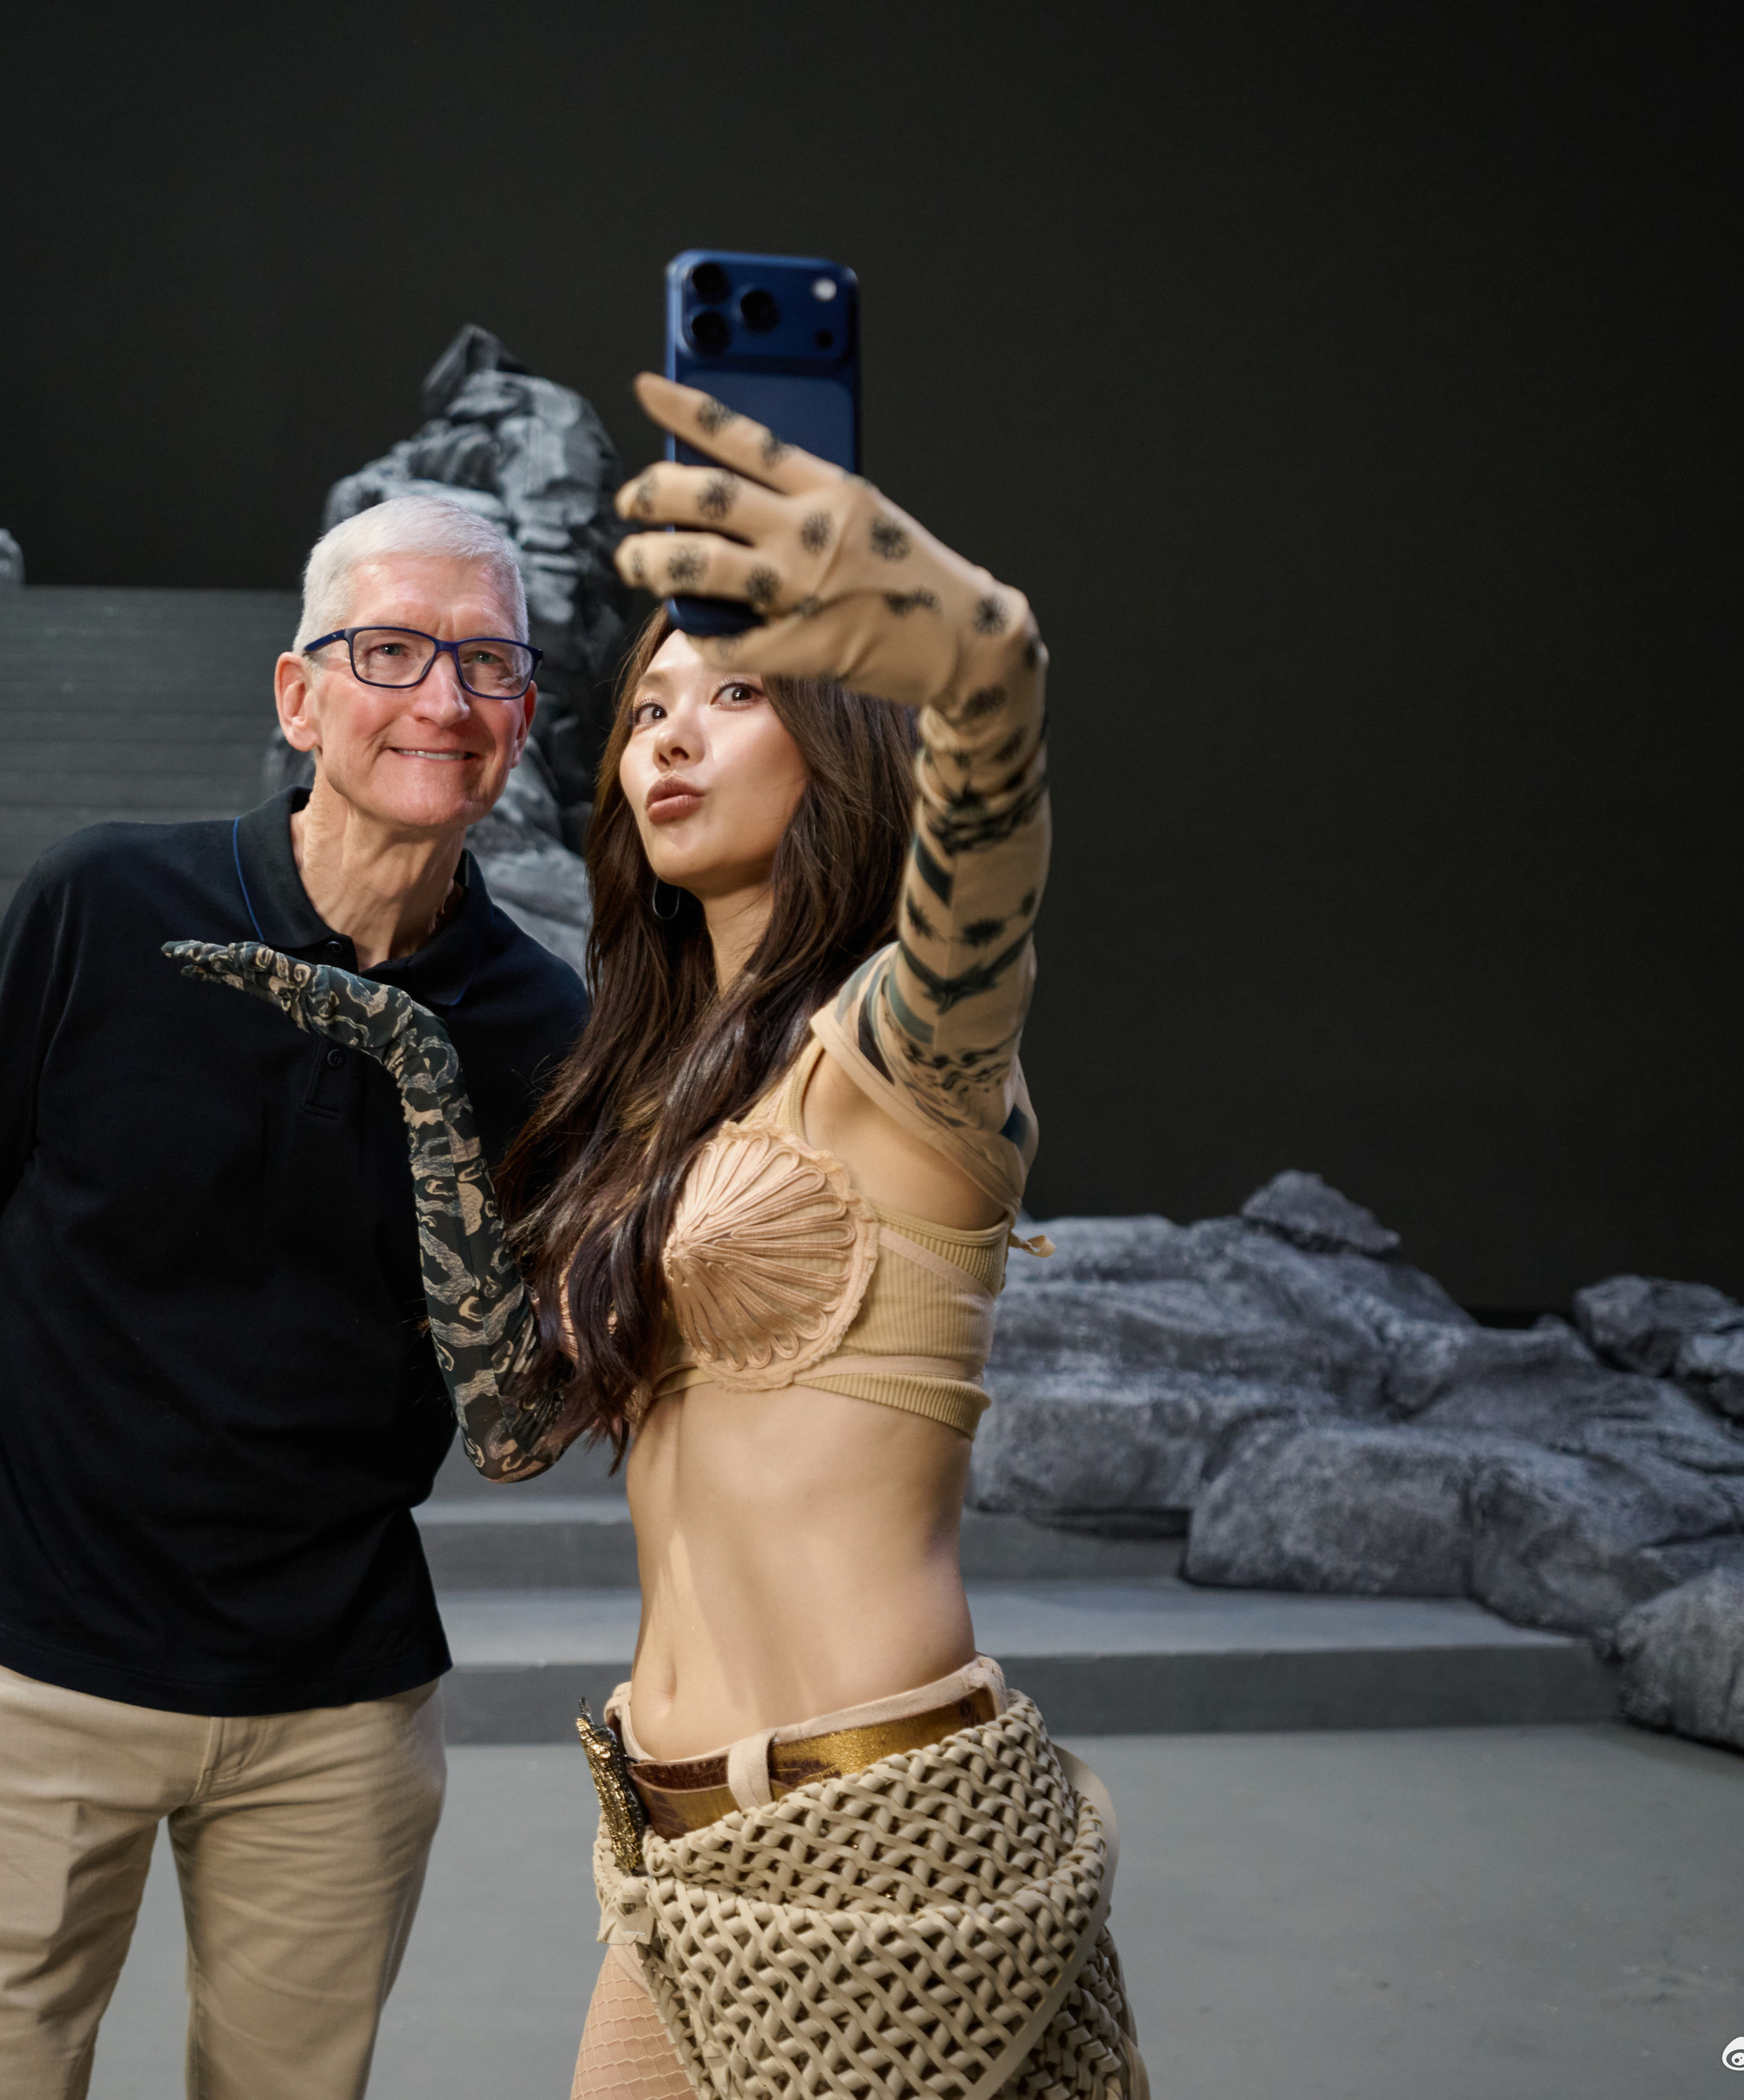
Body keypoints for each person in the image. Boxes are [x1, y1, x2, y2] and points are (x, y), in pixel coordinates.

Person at [176, 376, 1149, 2099]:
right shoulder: (651, 1103)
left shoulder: (903, 1053)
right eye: (643, 712)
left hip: (881, 1825)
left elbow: (991, 826)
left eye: (739, 694)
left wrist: (978, 653)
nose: (670, 740)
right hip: (663, 1838)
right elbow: (506, 1424)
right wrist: (414, 1070)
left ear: (839, 740)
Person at [0, 492, 590, 2100]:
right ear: (297, 695)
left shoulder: (538, 1027)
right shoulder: (102, 907)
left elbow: (526, 1389)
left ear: (520, 718)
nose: (441, 700)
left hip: (337, 1705)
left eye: (488, 664)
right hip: (28, 1663)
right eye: (390, 651)